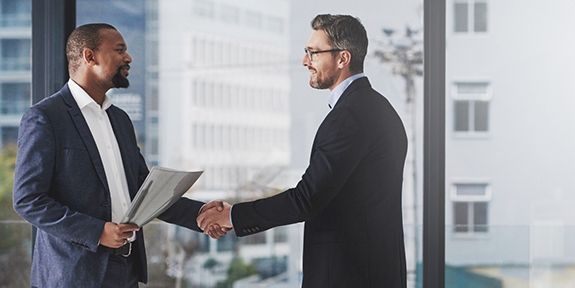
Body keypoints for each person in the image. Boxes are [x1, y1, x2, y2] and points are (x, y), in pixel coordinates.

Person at [197, 14, 408, 288]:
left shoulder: (349, 117)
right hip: (375, 272)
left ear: (342, 58)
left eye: (313, 53)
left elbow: (306, 199)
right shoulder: (379, 108)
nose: (305, 61)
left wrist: (231, 215)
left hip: (347, 276)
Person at [13, 23, 225, 288]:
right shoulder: (45, 117)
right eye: (119, 50)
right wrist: (97, 232)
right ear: (90, 57)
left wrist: (200, 214)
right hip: (73, 275)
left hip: (126, 270)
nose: (128, 58)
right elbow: (28, 199)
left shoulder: (120, 120)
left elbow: (143, 192)